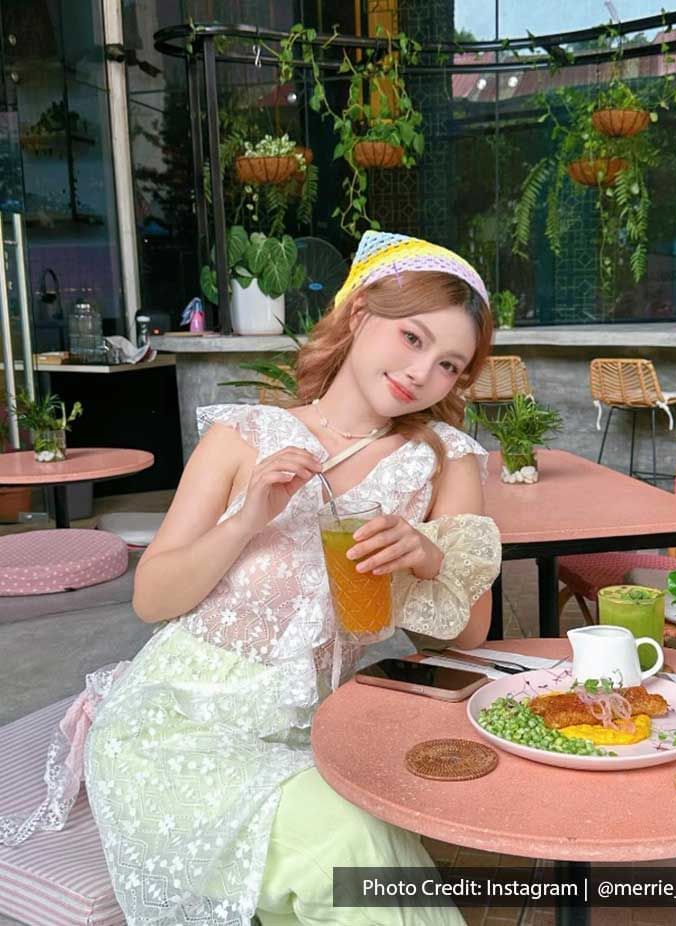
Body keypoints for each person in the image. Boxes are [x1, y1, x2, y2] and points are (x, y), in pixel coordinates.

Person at [2, 231, 501, 925]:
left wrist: (427, 555)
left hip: (311, 731)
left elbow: (468, 635)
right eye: (412, 338)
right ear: (359, 315)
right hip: (173, 726)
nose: (423, 373)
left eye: (449, 364)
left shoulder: (447, 460)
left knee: (362, 851)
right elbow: (152, 599)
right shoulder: (243, 435)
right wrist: (244, 521)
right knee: (351, 844)